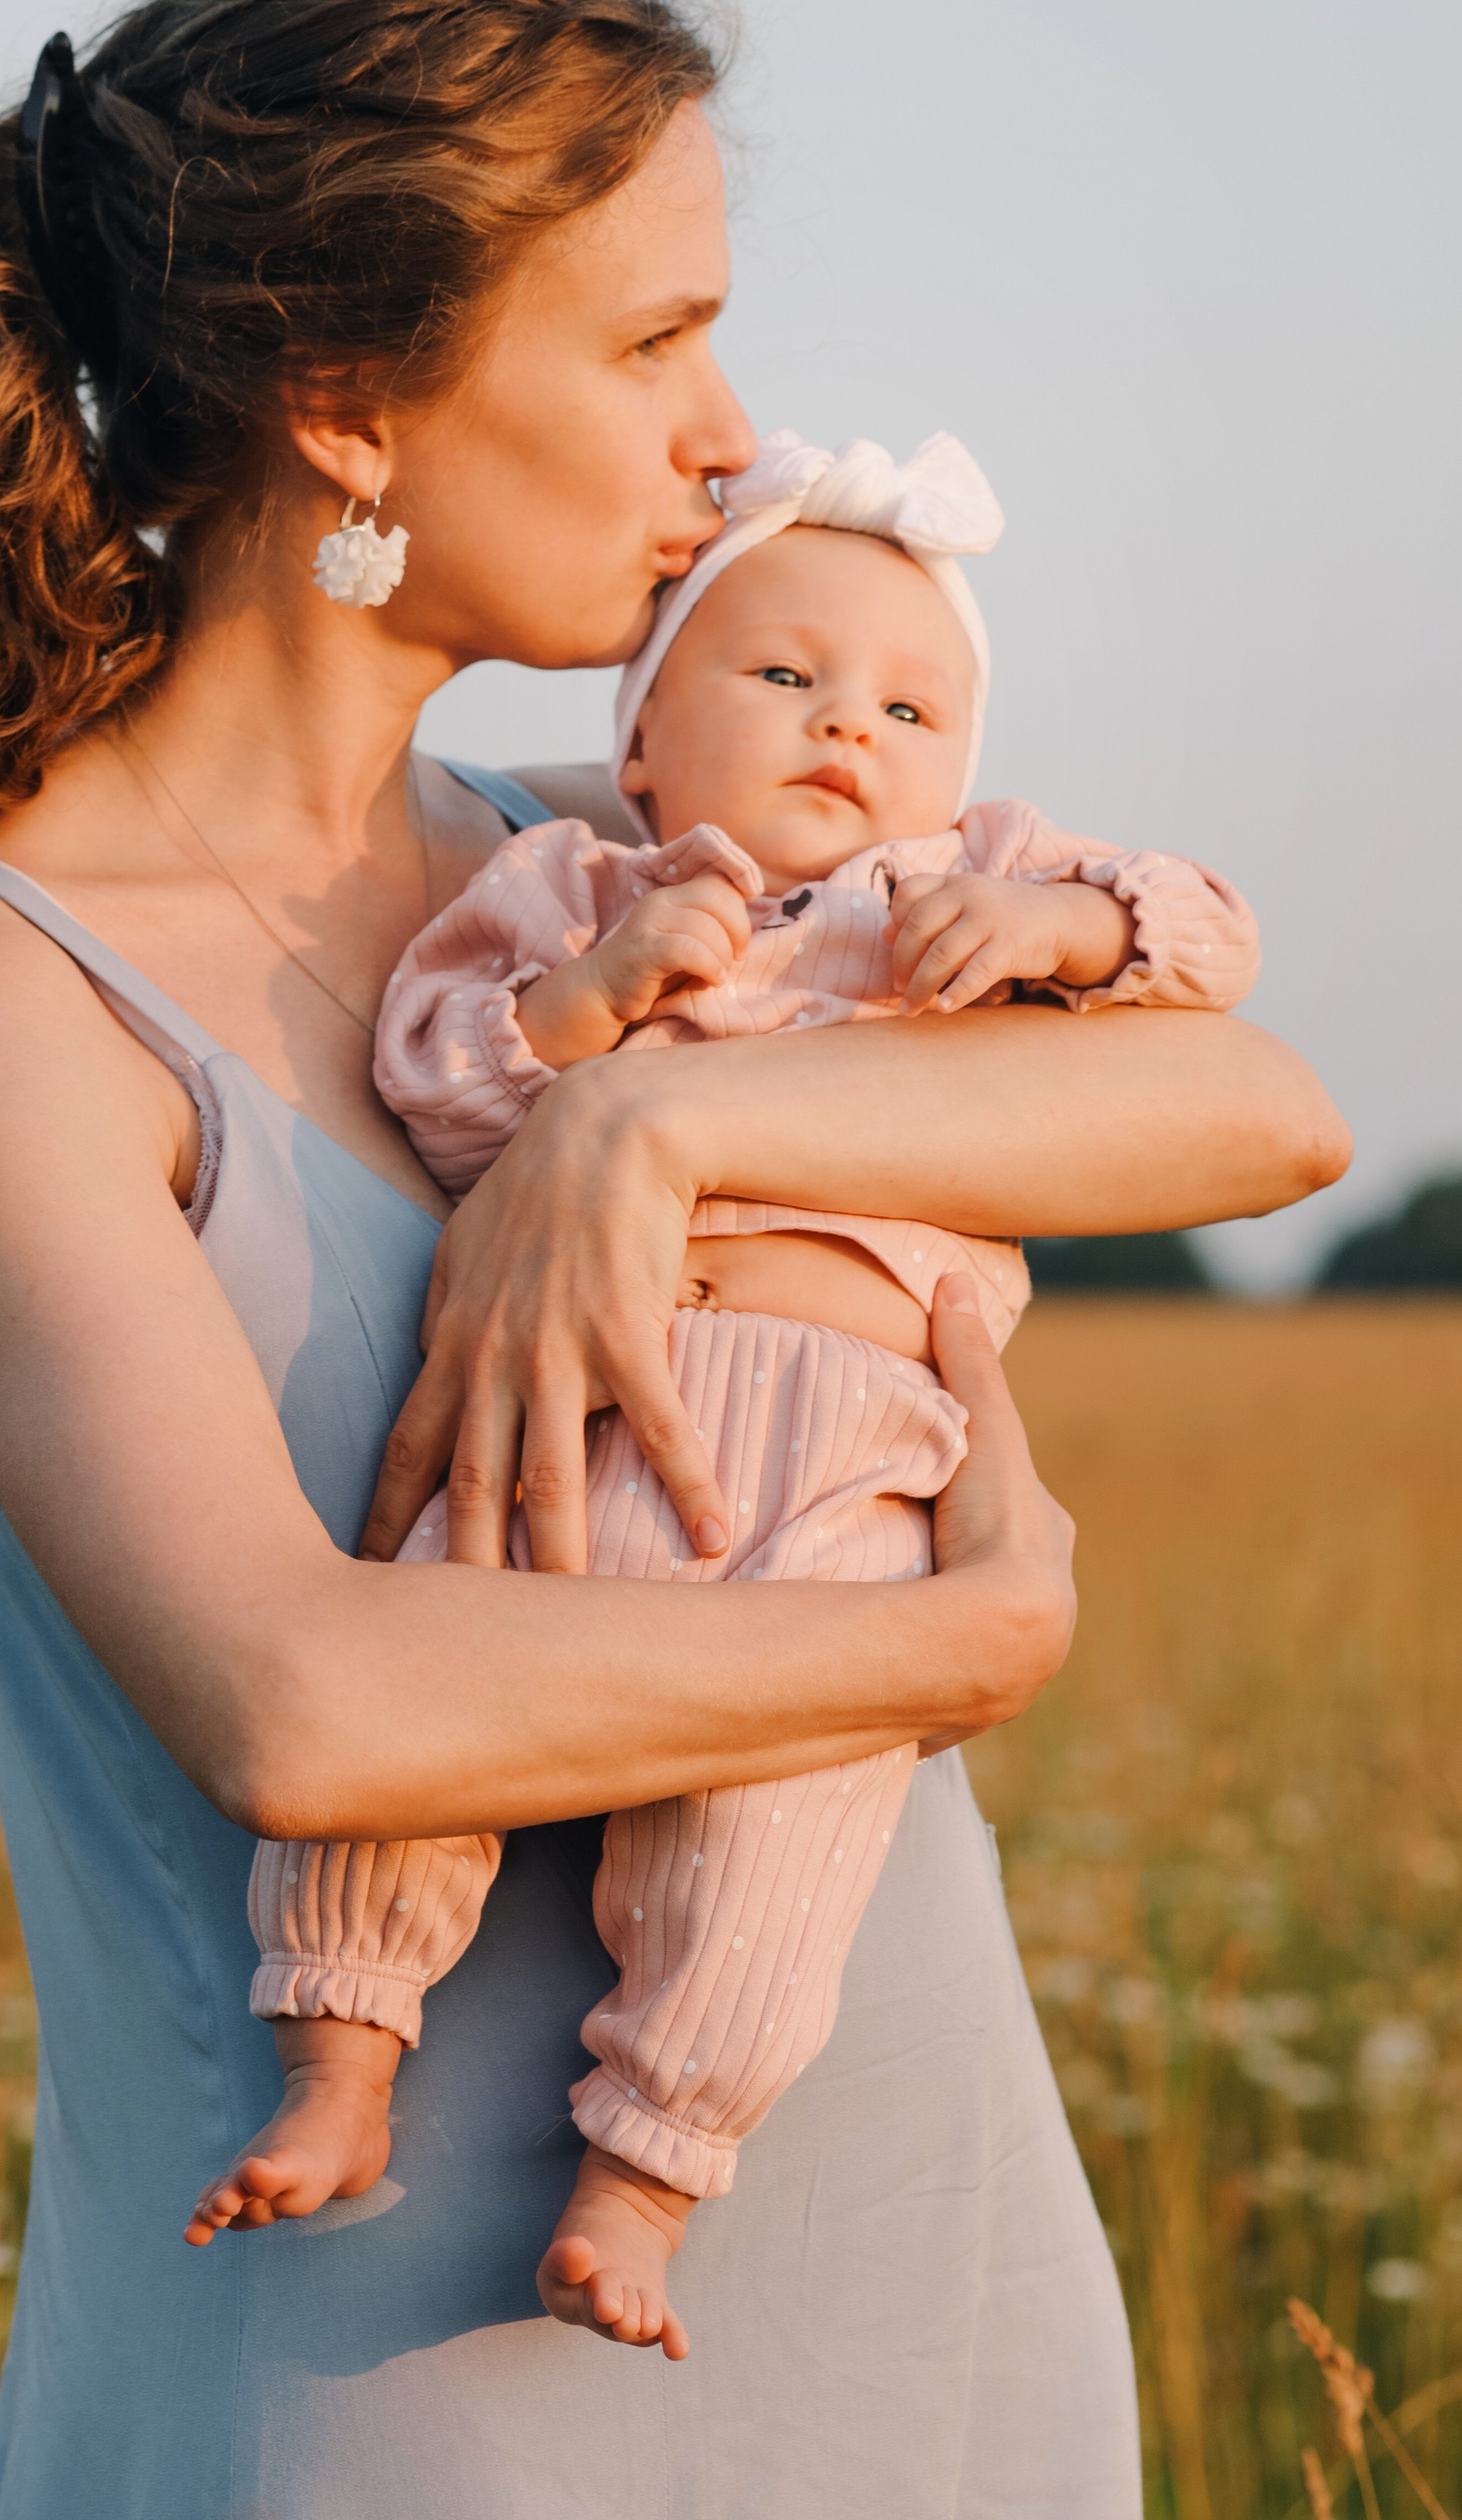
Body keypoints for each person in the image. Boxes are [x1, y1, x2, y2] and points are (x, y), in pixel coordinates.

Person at [0, 0, 1347, 2517]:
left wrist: (669, 1124)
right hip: (402, 2392)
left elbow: (1257, 1105)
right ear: (349, 396)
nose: (731, 435)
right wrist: (969, 1637)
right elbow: (306, 1704)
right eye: (647, 341)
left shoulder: (608, 870)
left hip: (909, 2281)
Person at [198, 429, 1259, 2355]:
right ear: (643, 741)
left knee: (775, 1848)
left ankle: (643, 2178)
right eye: (779, 678)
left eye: (908, 704)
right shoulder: (563, 881)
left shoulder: (963, 894)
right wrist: (591, 1002)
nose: (847, 726)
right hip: (573, 1421)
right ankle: (340, 2064)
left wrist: (1065, 930)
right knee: (422, 1710)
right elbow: (440, 1084)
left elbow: (1203, 936)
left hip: (846, 1456)